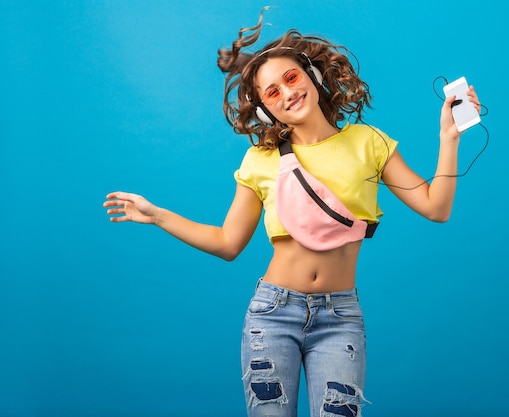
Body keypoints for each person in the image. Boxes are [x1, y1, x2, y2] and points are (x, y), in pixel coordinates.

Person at [103, 9, 481, 417]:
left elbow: (436, 207)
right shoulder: (260, 160)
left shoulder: (368, 143)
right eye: (271, 93)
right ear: (266, 109)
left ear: (313, 77)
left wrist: (449, 138)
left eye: (291, 78)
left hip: (340, 317)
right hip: (272, 314)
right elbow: (229, 243)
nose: (287, 94)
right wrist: (158, 215)